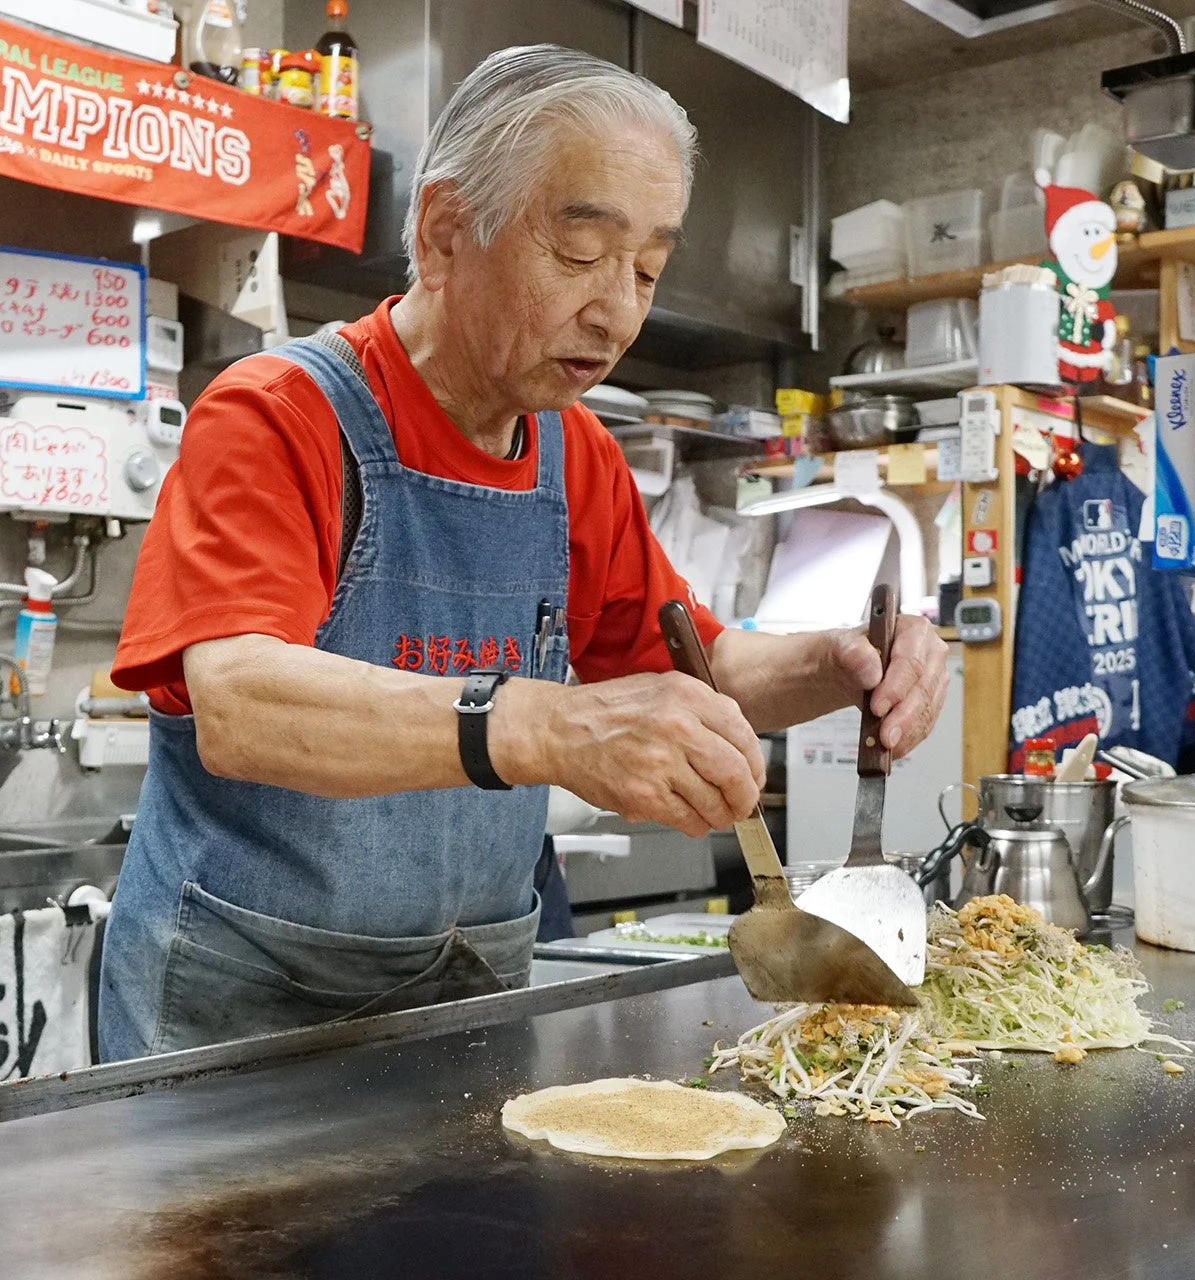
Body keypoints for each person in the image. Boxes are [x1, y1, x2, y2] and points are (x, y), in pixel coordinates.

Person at [97, 44, 950, 1060]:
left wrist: (838, 663)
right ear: (448, 230)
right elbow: (240, 702)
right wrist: (546, 725)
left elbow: (688, 663)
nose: (619, 311)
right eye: (583, 255)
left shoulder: (572, 452)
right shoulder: (279, 414)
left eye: (647, 270)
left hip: (464, 1008)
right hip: (242, 1024)